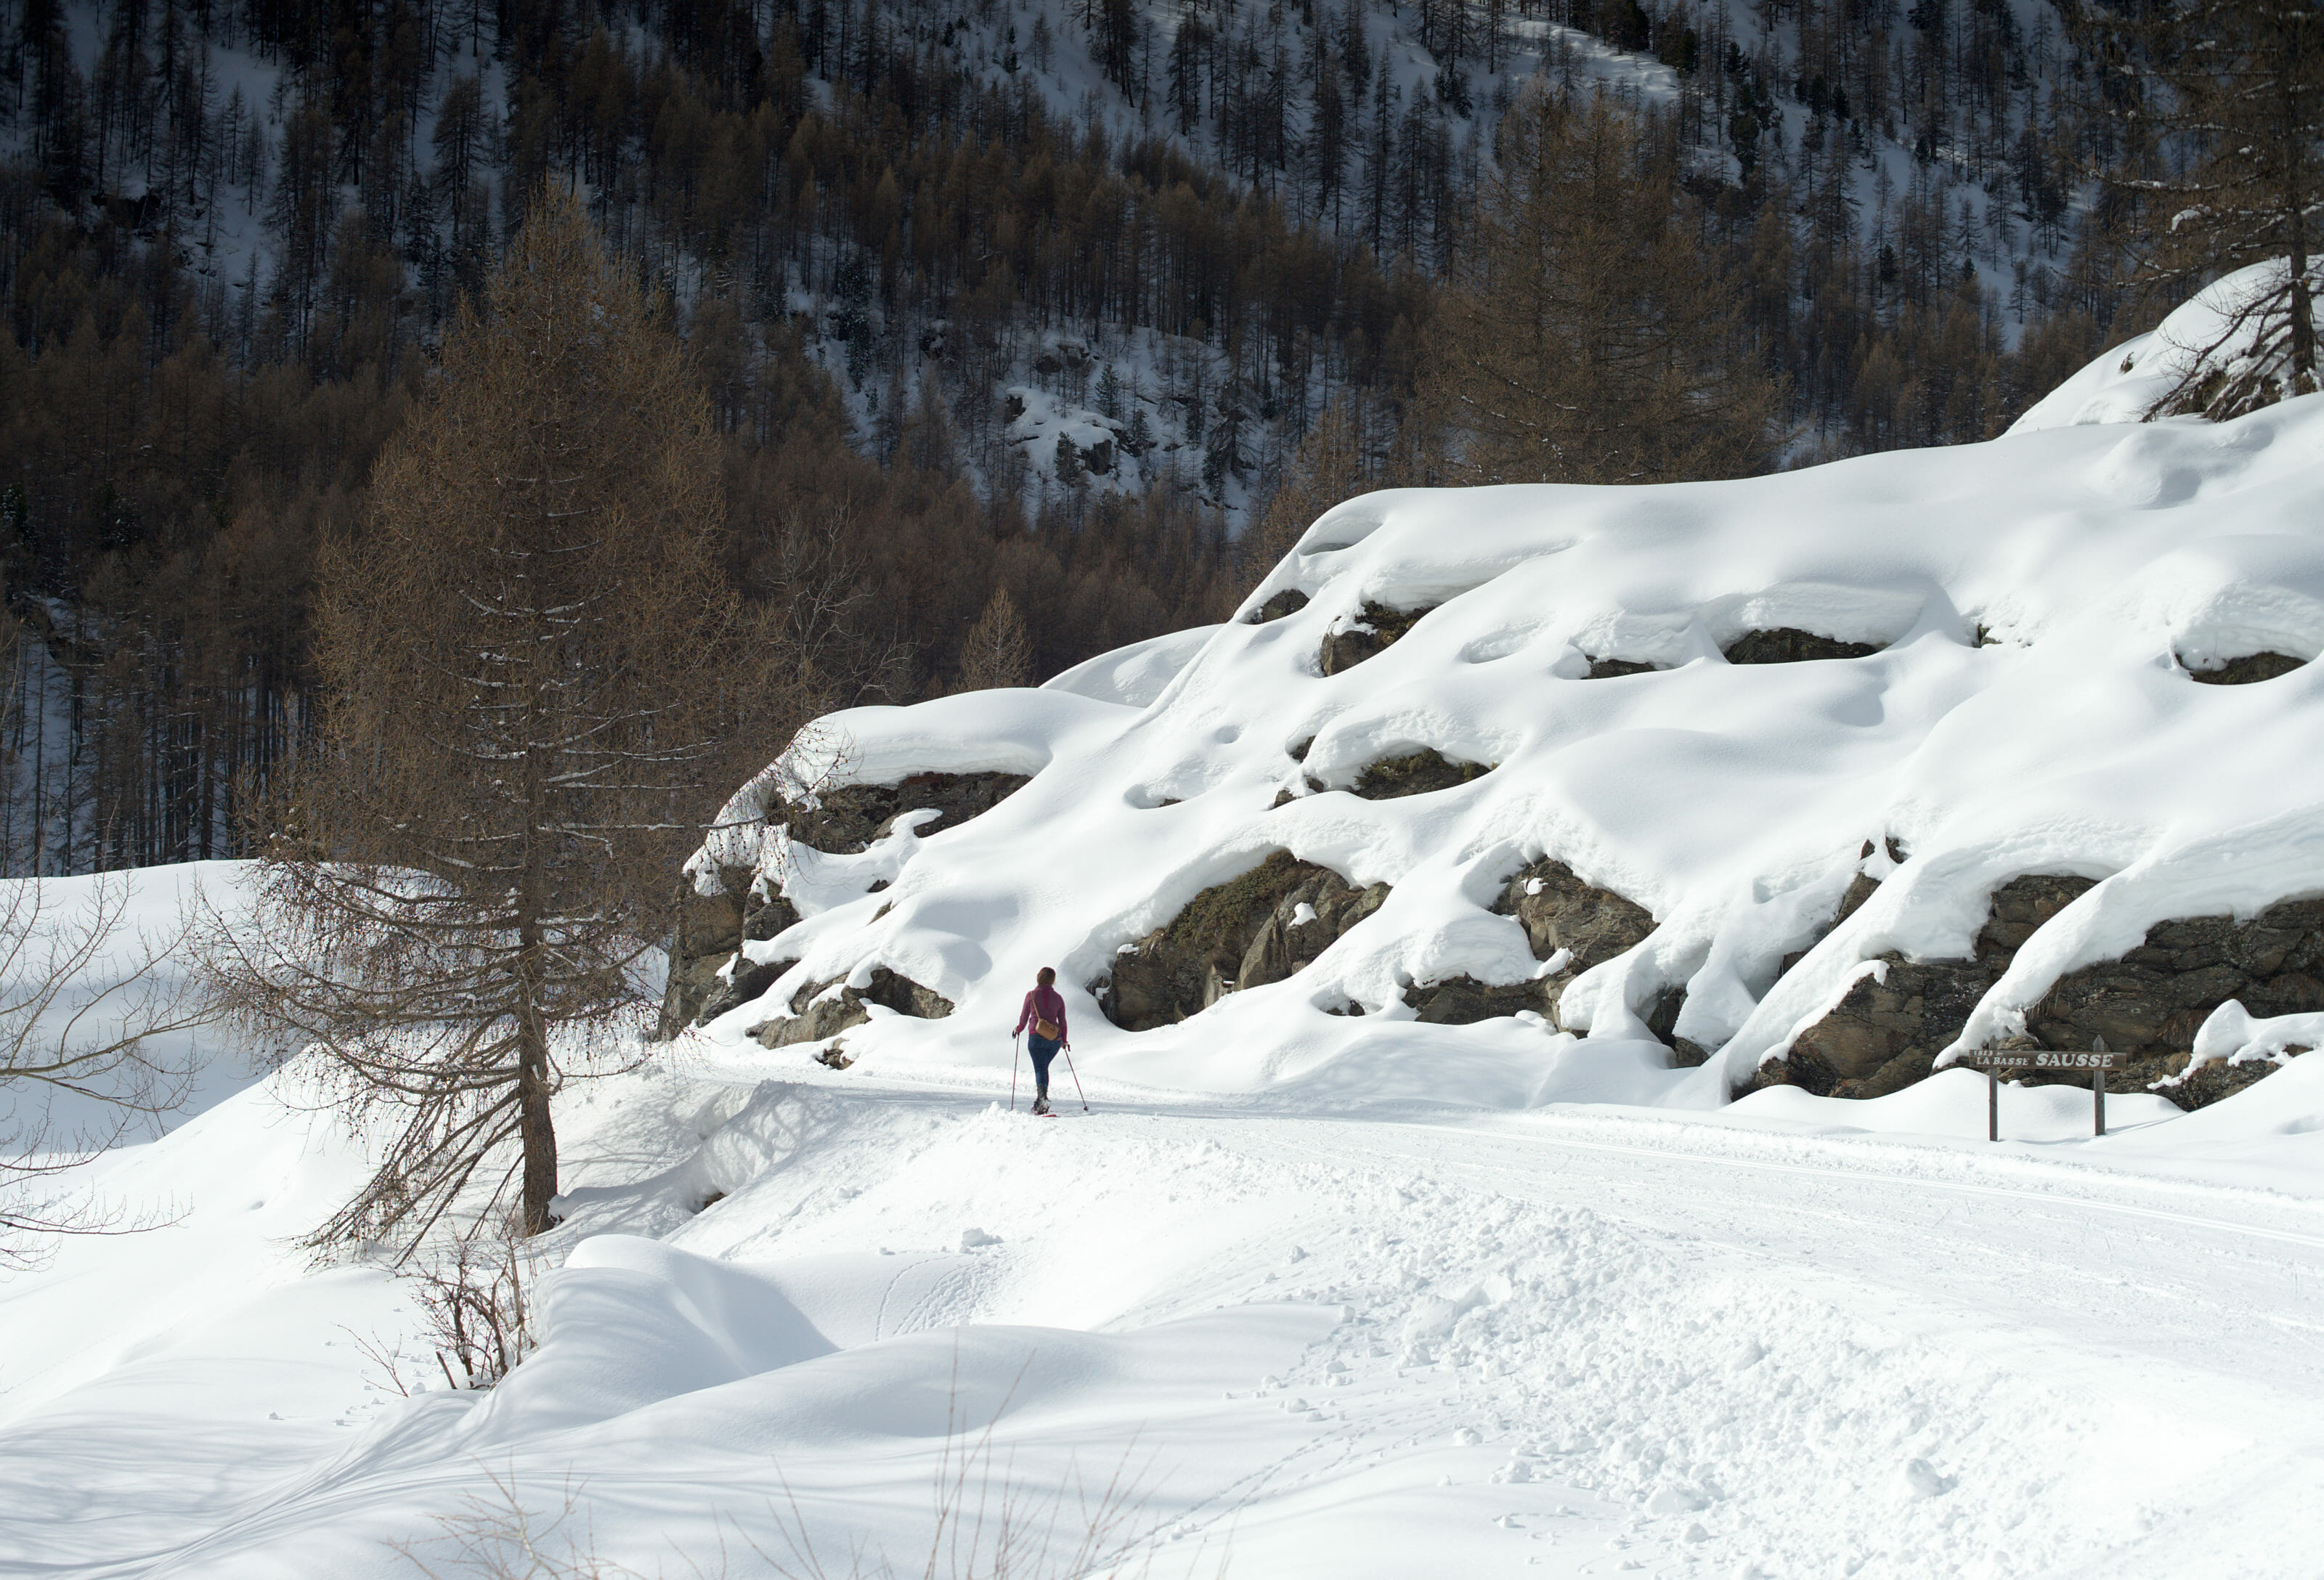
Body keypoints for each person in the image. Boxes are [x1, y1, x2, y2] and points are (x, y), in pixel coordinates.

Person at [1013, 966, 1069, 1115]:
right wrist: (1064, 1040)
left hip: (1036, 1037)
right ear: (1053, 980)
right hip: (1054, 1040)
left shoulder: (1031, 995)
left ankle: (1042, 1100)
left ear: (1038, 977)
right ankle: (1040, 1101)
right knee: (1043, 1068)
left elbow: (1024, 1017)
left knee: (1040, 1069)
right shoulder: (1058, 998)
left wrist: (1018, 1029)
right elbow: (1062, 1021)